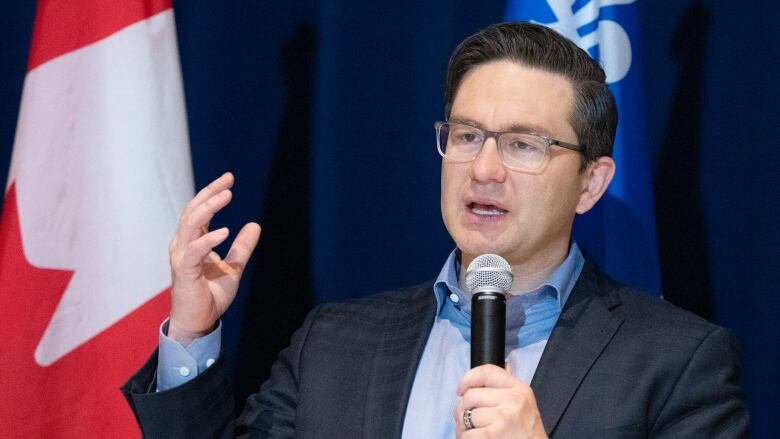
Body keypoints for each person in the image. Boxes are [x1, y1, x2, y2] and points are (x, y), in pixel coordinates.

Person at [122, 22, 748, 438]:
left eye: (524, 144)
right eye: (468, 136)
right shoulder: (334, 343)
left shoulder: (677, 362)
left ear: (591, 182)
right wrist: (193, 336)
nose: (483, 169)